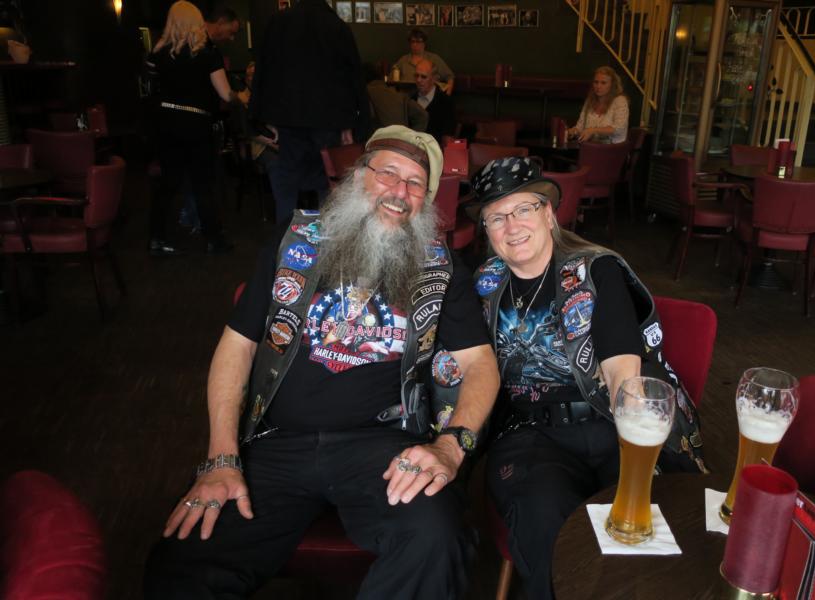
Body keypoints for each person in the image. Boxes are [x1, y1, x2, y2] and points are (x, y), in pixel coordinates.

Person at [143, 126, 501, 599]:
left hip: (383, 446)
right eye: (388, 173)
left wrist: (451, 446)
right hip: (276, 443)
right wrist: (221, 459)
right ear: (357, 176)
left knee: (437, 538)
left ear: (427, 201)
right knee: (184, 556)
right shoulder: (294, 240)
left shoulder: (441, 266)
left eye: (416, 183)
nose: (400, 192)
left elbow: (480, 365)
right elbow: (237, 346)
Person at [467, 157, 707, 600]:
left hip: (609, 423)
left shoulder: (595, 269)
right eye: (496, 217)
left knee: (649, 525)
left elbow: (620, 364)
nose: (512, 226)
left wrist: (632, 420)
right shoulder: (483, 285)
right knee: (546, 521)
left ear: (548, 213)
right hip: (529, 435)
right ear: (486, 230)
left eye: (524, 209)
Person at [251, 0, 369, 222]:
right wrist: (353, 125)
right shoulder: (337, 26)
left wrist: (263, 119)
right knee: (328, 183)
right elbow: (353, 78)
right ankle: (327, 236)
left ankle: (286, 235)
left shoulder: (278, 22)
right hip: (329, 120)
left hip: (288, 118)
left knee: (287, 184)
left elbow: (265, 70)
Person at [147, 0, 237, 256]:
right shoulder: (207, 53)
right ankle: (214, 240)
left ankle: (156, 238)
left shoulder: (157, 54)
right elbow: (225, 93)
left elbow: (152, 89)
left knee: (168, 183)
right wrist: (241, 98)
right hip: (197, 125)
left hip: (166, 124)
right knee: (202, 184)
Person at [568, 66, 629, 144]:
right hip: (590, 147)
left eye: (603, 83)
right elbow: (580, 127)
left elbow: (618, 129)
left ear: (612, 85)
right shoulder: (589, 101)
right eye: (596, 82)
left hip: (613, 147)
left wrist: (593, 130)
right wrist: (573, 131)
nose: (598, 86)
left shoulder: (620, 101)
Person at [363, 63, 429, 133]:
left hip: (380, 138)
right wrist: (410, 136)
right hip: (401, 138)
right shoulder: (399, 95)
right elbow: (423, 115)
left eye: (423, 77)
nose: (419, 80)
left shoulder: (366, 94)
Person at [392, 28, 454, 95]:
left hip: (427, 98)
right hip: (406, 97)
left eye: (418, 41)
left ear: (424, 43)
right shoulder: (403, 60)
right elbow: (391, 80)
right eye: (413, 41)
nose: (415, 44)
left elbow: (450, 77)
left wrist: (447, 96)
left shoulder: (434, 59)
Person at [411, 59, 456, 141]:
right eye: (416, 75)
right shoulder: (410, 100)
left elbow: (448, 136)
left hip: (435, 147)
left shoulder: (446, 102)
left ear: (434, 79)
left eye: (423, 77)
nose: (418, 80)